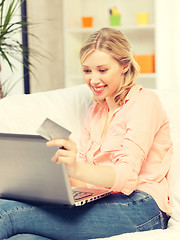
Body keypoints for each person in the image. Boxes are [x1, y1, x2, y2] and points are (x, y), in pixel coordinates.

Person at [0, 28, 172, 240]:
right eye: (87, 71)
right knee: (23, 238)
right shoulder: (96, 111)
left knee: (5, 213)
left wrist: (76, 168)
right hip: (101, 200)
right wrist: (51, 175)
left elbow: (125, 177)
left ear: (124, 65)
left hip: (142, 206)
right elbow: (85, 180)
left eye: (102, 70)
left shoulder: (144, 102)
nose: (94, 80)